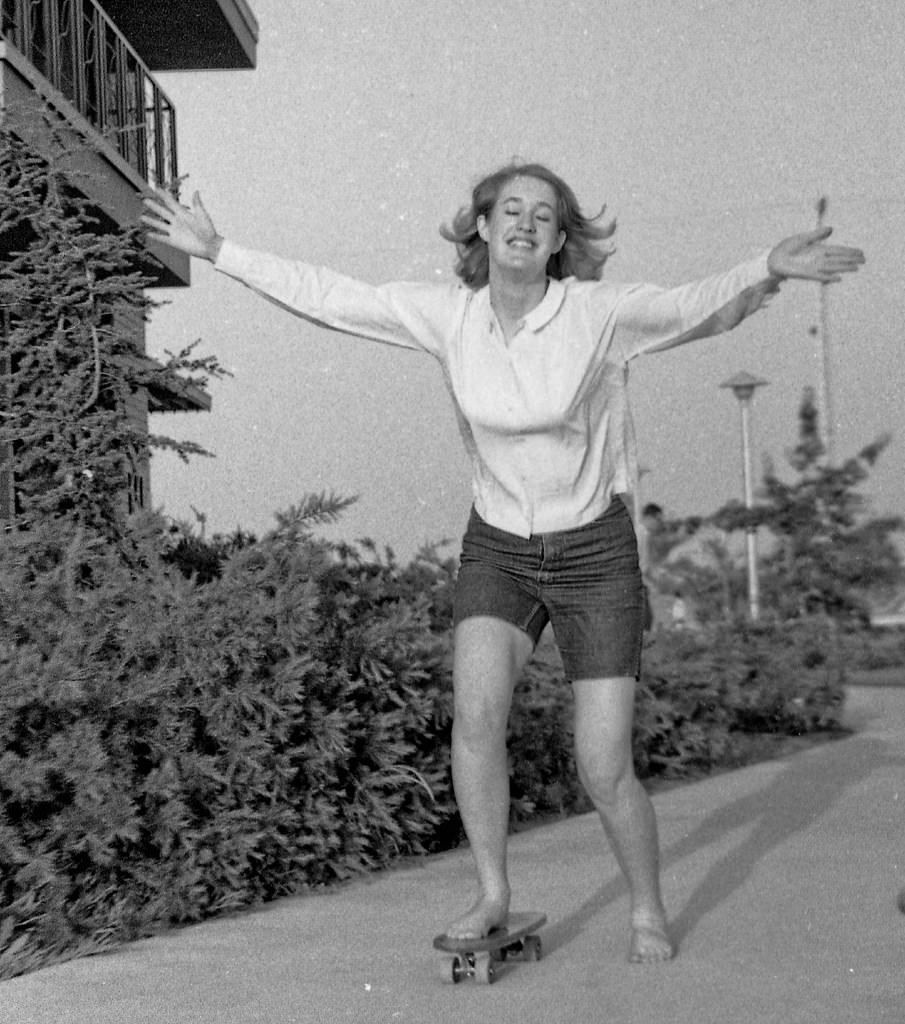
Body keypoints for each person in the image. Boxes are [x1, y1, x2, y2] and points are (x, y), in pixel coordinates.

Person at [141, 162, 863, 963]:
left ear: (559, 240)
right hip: (497, 548)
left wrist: (765, 265)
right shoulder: (450, 318)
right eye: (508, 210)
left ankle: (647, 906)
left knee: (602, 766)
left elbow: (689, 304)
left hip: (593, 551)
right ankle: (491, 891)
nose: (524, 223)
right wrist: (219, 251)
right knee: (476, 719)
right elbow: (334, 296)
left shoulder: (597, 314)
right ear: (481, 228)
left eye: (543, 215)